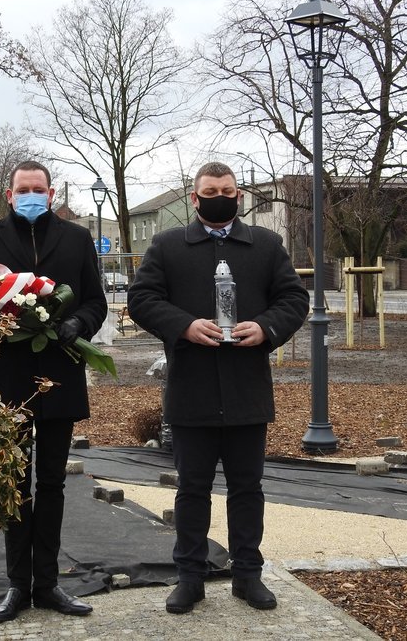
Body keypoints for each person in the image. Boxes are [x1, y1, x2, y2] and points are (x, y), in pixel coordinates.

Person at [127, 162, 309, 614]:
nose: (220, 198)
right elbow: (142, 299)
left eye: (228, 191)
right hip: (191, 389)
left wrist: (265, 327)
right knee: (192, 490)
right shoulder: (168, 245)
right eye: (210, 192)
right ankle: (190, 578)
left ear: (239, 195)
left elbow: (294, 298)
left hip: (247, 389)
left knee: (247, 489)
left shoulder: (266, 244)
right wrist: (184, 325)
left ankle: (248, 575)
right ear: (195, 198)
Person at [0, 160, 107, 622]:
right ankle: (16, 586)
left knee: (52, 483)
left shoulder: (76, 238)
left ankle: (47, 584)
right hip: (10, 377)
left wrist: (77, 323)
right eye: (22, 189)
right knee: (14, 483)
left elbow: (96, 300)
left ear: (51, 193)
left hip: (60, 371)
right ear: (9, 195)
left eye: (38, 188)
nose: (30, 195)